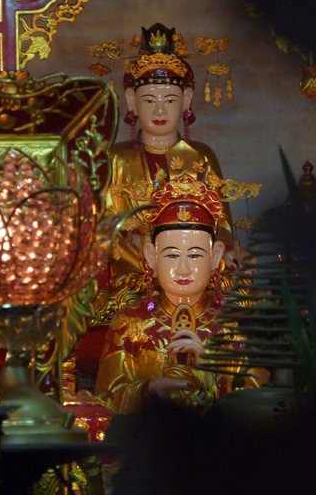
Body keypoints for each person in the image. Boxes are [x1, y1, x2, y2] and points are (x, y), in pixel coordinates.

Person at [106, 22, 233, 284]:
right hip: (133, 272)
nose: (160, 111)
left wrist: (222, 251)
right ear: (131, 100)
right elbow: (104, 228)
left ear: (186, 100)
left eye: (170, 100)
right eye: (149, 100)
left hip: (193, 274)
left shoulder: (200, 156)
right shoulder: (116, 159)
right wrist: (139, 246)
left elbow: (222, 226)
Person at [95, 175, 233, 414]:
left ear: (216, 256)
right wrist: (147, 391)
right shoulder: (129, 324)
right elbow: (105, 401)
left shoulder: (235, 326)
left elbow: (256, 405)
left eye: (195, 255)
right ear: (151, 257)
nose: (183, 269)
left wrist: (209, 371)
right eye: (171, 255)